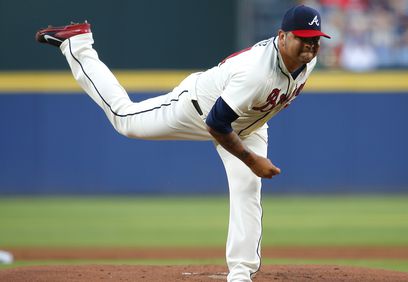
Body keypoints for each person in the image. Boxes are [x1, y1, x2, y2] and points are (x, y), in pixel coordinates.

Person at [35, 5, 330, 282]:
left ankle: (241, 273)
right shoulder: (256, 73)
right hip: (197, 109)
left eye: (315, 39)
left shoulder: (309, 60)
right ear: (281, 37)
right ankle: (78, 45)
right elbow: (217, 123)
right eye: (303, 38)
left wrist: (250, 162)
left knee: (248, 188)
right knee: (124, 119)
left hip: (248, 123)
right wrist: (252, 160)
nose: (310, 44)